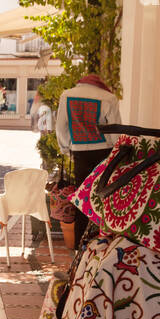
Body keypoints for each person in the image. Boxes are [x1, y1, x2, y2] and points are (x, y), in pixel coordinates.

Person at [54, 72, 121, 249]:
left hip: (79, 152)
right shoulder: (108, 97)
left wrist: (65, 147)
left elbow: (61, 126)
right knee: (104, 197)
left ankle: (79, 244)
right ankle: (102, 243)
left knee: (82, 198)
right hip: (104, 152)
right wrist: (117, 152)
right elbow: (115, 129)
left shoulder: (67, 95)